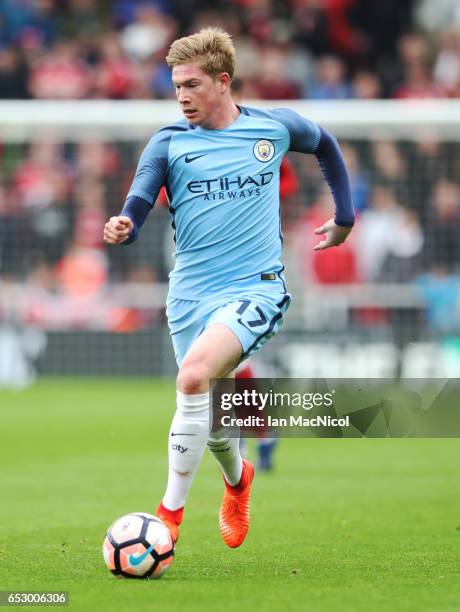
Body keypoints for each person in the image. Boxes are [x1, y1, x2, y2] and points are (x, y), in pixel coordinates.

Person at [103, 28, 354, 549]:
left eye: (192, 85)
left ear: (223, 82)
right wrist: (126, 222)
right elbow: (141, 195)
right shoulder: (169, 142)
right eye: (176, 86)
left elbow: (325, 144)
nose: (182, 96)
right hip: (190, 296)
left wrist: (345, 216)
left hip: (256, 289)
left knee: (193, 379)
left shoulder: (273, 128)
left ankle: (168, 516)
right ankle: (239, 480)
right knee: (216, 421)